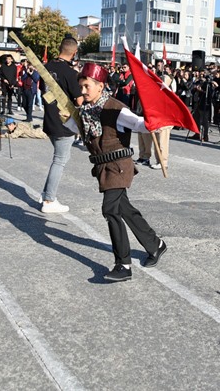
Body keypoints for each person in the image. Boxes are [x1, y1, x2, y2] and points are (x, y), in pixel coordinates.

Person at [75, 62, 167, 282]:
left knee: (110, 210)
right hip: (102, 167)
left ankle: (123, 264)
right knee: (124, 209)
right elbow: (72, 129)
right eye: (81, 87)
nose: (83, 91)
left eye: (87, 86)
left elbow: (140, 124)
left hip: (119, 166)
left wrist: (152, 121)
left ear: (100, 86)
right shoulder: (86, 111)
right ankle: (156, 244)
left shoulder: (116, 108)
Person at [40, 37, 83, 214]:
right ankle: (49, 200)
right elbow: (80, 100)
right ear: (74, 53)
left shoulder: (47, 67)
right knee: (60, 160)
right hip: (63, 122)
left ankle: (45, 193)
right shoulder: (70, 73)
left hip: (49, 118)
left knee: (58, 158)